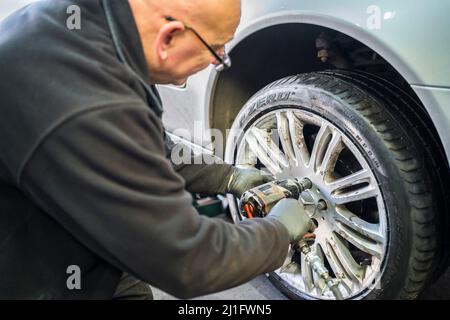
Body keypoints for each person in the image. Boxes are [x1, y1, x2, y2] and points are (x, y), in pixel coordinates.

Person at [0, 0, 313, 299]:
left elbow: (137, 146)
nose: (218, 61)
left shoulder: (101, 27)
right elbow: (188, 262)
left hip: (84, 232)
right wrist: (278, 232)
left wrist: (229, 178)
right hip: (38, 276)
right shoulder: (84, 106)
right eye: (216, 49)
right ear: (170, 37)